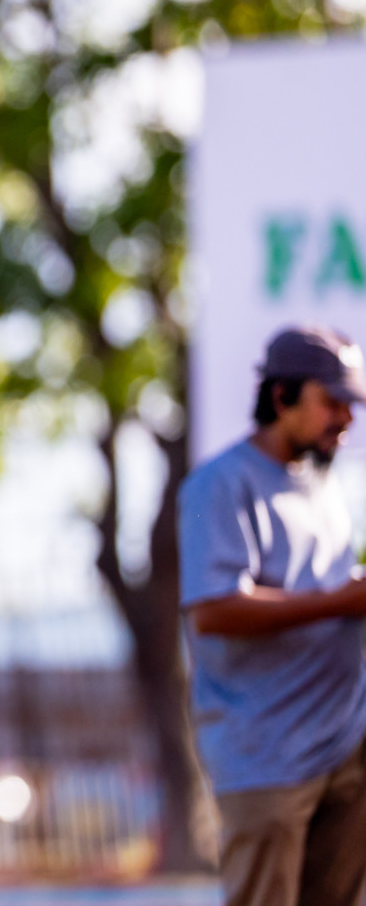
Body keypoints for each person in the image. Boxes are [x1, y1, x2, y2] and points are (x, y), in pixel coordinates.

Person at [179, 324, 366, 906]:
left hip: (345, 748)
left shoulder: (325, 488)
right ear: (282, 397)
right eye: (331, 402)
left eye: (350, 405)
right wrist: (345, 601)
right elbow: (214, 609)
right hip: (268, 759)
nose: (346, 419)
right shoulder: (221, 484)